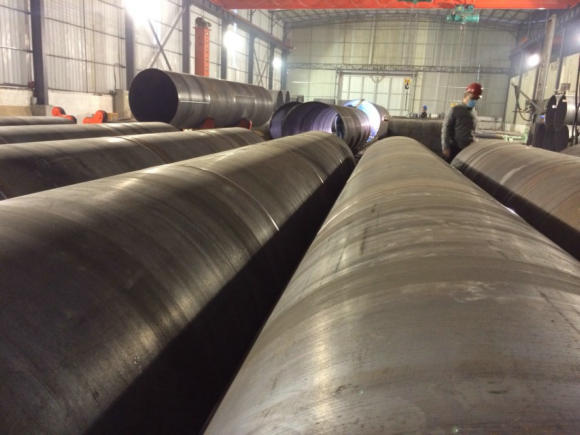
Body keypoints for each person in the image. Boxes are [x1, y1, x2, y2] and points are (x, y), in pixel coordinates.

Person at [441, 82, 483, 161]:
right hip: (455, 148)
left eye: (476, 99)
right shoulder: (455, 110)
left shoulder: (473, 113)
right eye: (472, 98)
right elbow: (446, 129)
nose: (474, 101)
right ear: (466, 95)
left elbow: (473, 131)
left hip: (468, 149)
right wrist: (446, 147)